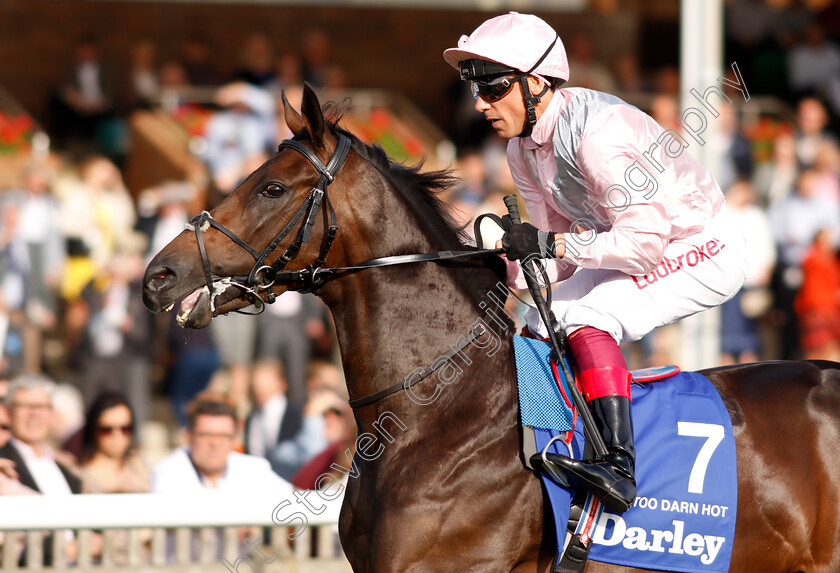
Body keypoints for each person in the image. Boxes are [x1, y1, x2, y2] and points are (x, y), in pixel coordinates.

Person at [443, 12, 747, 513]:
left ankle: (618, 464)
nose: (480, 103)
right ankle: (550, 441)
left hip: (700, 246)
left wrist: (551, 246)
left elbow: (639, 246)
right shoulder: (522, 149)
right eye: (476, 87)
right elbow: (546, 256)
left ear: (536, 84)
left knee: (587, 315)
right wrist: (494, 273)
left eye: (493, 88)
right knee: (537, 320)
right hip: (637, 242)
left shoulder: (599, 135)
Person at [77, 391, 149, 493]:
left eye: (125, 429)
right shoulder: (79, 475)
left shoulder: (139, 463)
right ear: (93, 430)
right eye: (107, 430)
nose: (117, 435)